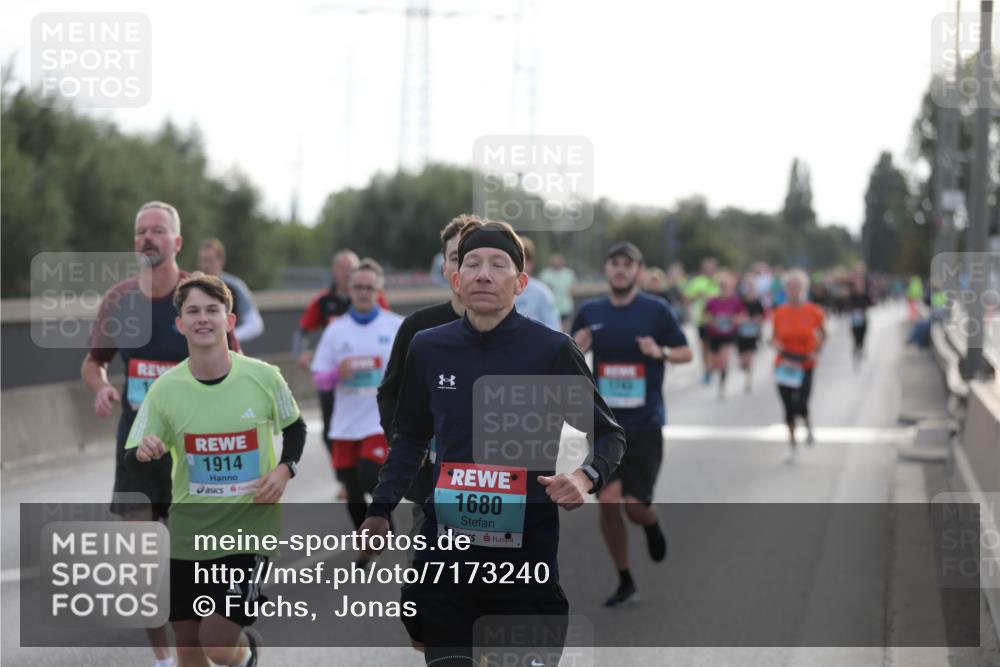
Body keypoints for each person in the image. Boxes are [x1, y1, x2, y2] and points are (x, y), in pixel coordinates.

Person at [360, 220, 627, 665]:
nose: (484, 274)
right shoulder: (428, 347)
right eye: (473, 264)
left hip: (524, 561)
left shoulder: (551, 351)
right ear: (456, 278)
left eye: (499, 265)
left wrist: (584, 477)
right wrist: (380, 510)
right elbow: (410, 438)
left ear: (521, 283)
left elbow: (609, 435)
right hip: (446, 558)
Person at [82, 201, 240, 667]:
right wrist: (103, 389)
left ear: (177, 242)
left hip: (198, 453)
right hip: (139, 447)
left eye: (157, 231)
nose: (147, 238)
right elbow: (95, 362)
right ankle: (164, 658)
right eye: (140, 231)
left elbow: (239, 366)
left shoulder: (200, 297)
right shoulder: (119, 300)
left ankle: (214, 643)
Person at [126, 272, 305, 667]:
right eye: (193, 311)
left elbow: (296, 428)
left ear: (230, 320)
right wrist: (144, 450)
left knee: (218, 645)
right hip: (189, 535)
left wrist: (284, 469)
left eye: (213, 310)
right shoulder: (166, 389)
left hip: (248, 534)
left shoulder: (263, 377)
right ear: (180, 323)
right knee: (188, 640)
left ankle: (245, 654)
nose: (203, 318)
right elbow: (133, 450)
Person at [572, 241, 692, 607]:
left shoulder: (656, 312)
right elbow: (565, 357)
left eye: (627, 265)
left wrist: (661, 352)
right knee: (608, 501)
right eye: (614, 264)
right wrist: (576, 346)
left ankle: (651, 522)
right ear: (606, 271)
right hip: (606, 426)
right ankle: (625, 578)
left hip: (645, 423)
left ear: (639, 272)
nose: (620, 270)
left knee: (635, 508)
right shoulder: (590, 311)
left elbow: (685, 352)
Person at [376, 215, 471, 576]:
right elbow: (390, 395)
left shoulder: (521, 333)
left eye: (472, 254)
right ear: (445, 267)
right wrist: (405, 453)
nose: (464, 265)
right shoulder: (418, 329)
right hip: (431, 487)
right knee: (423, 605)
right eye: (455, 257)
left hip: (497, 495)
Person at [310, 258, 402, 560]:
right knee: (351, 487)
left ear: (379, 289)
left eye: (369, 287)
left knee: (368, 475)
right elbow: (320, 379)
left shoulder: (396, 325)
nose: (363, 293)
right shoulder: (337, 331)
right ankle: (366, 540)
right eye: (358, 287)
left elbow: (414, 371)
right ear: (350, 289)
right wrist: (339, 373)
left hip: (379, 422)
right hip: (345, 424)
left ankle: (384, 521)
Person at [293, 250, 389, 480]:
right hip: (335, 375)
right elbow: (302, 330)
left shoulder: (373, 296)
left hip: (369, 385)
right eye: (342, 268)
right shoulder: (324, 300)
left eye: (351, 268)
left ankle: (369, 474)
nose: (346, 273)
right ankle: (345, 478)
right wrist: (302, 354)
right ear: (334, 271)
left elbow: (386, 324)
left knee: (370, 445)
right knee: (331, 431)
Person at [771, 269, 826, 463]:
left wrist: (816, 350)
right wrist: (776, 345)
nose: (793, 290)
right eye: (790, 287)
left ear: (804, 289)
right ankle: (792, 445)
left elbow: (822, 335)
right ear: (785, 289)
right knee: (788, 407)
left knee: (801, 403)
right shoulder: (779, 311)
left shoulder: (814, 312)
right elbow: (774, 337)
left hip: (805, 364)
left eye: (797, 286)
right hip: (784, 364)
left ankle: (808, 423)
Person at [197, 238, 265, 344]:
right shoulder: (192, 288)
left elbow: (255, 325)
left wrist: (228, 336)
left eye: (210, 260)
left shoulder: (235, 287)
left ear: (221, 261)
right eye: (203, 261)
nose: (205, 266)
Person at [703, 272, 747, 400]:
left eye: (726, 287)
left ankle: (722, 387)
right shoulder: (712, 301)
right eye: (722, 287)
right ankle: (711, 370)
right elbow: (704, 316)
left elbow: (743, 316)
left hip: (728, 335)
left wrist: (734, 319)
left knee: (724, 359)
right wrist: (713, 320)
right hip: (714, 334)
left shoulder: (735, 301)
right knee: (715, 362)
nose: (724, 289)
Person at [683, 257, 721, 384]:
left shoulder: (719, 282)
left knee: (716, 348)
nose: (709, 270)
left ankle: (715, 366)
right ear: (703, 269)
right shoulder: (697, 282)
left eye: (711, 267)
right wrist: (696, 296)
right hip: (702, 320)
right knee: (704, 347)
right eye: (707, 267)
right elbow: (686, 298)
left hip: (718, 321)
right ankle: (707, 370)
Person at [514, 237, 561, 330]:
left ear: (530, 264)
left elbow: (554, 328)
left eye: (521, 260)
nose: (517, 266)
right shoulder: (499, 291)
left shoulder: (541, 292)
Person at [737, 276, 766, 393]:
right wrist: (742, 319)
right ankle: (744, 366)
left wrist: (755, 320)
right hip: (741, 332)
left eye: (751, 286)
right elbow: (736, 315)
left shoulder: (758, 301)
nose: (749, 289)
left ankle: (748, 380)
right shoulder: (741, 301)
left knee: (750, 356)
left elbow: (762, 316)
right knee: (742, 357)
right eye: (748, 286)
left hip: (752, 332)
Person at [538, 252, 577, 332]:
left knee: (566, 328)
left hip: (565, 306)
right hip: (550, 307)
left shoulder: (568, 273)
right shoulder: (545, 274)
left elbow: (573, 288)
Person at [848, 272, 873, 368]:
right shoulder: (852, 295)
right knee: (855, 336)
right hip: (854, 318)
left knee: (862, 336)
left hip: (863, 318)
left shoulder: (865, 295)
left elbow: (871, 303)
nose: (859, 286)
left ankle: (861, 348)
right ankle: (856, 349)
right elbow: (848, 305)